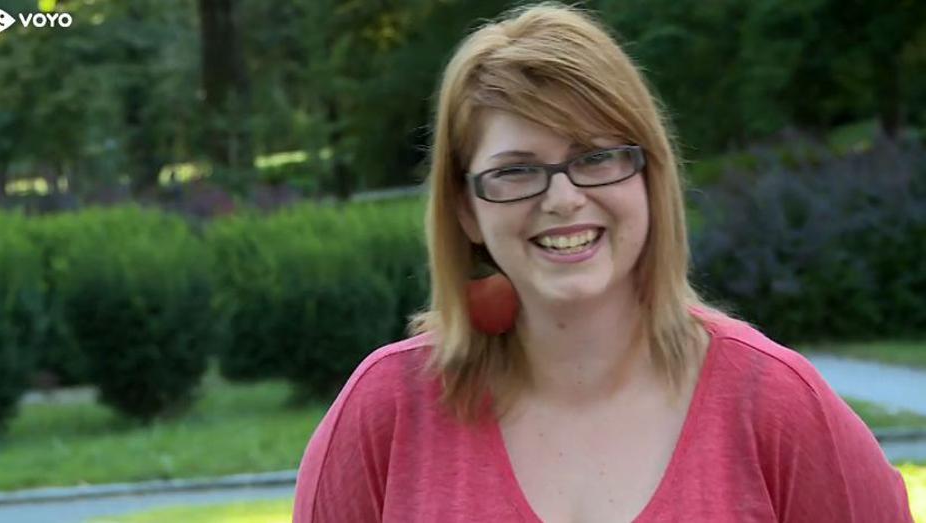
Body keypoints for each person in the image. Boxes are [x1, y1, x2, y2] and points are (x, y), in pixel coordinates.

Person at [291, 3, 914, 522]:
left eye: (595, 157)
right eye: (516, 171)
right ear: (466, 210)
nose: (563, 199)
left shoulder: (777, 407)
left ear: (649, 176)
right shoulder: (386, 414)